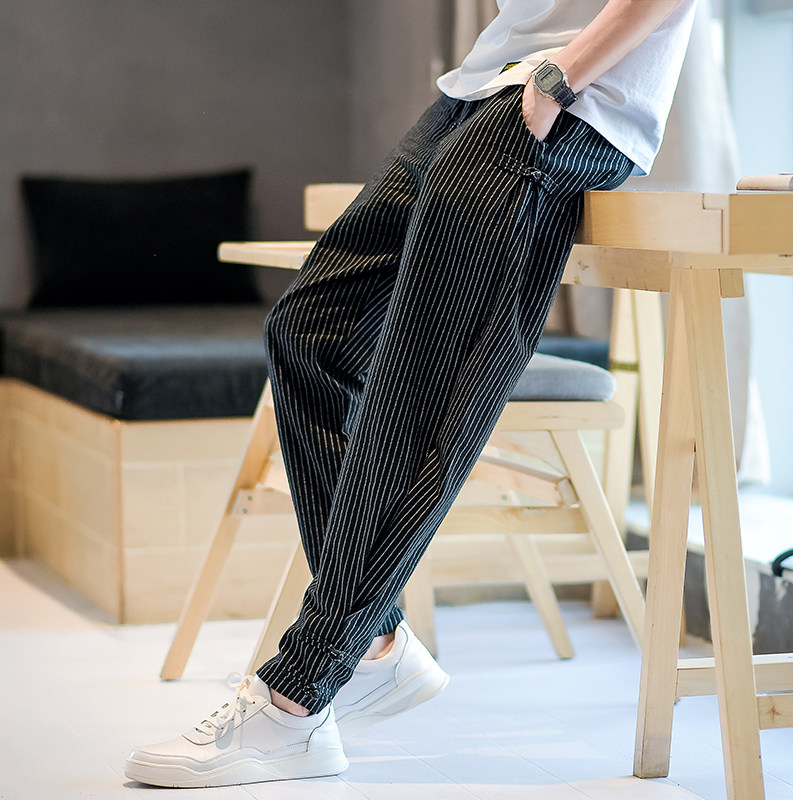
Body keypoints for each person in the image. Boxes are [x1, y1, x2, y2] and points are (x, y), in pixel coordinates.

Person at [125, 0, 698, 788]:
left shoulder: (558, 92)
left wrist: (557, 79)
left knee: (418, 396)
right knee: (309, 332)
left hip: (570, 101)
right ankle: (372, 642)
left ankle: (298, 697)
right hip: (481, 87)